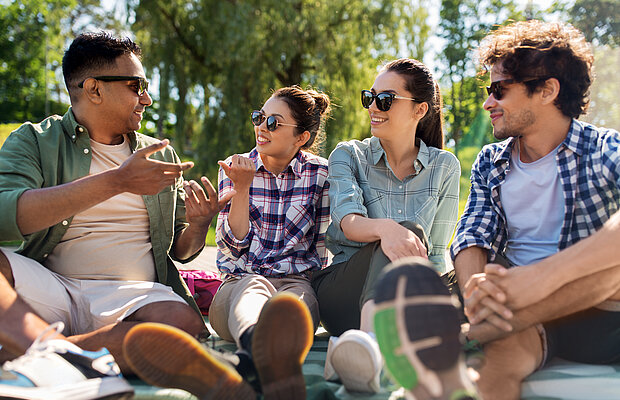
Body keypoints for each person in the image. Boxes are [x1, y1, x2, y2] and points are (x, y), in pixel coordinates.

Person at [373, 20, 620, 400]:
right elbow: (473, 233)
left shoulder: (603, 149)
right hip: (516, 316)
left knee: (613, 270)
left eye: (499, 90)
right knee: (505, 359)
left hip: (605, 312)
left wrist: (541, 278)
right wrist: (474, 293)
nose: (488, 102)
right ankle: (452, 385)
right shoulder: (493, 160)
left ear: (547, 90)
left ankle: (464, 338)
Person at [0, 32, 233, 379]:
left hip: (131, 296)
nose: (147, 99)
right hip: (51, 286)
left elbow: (183, 251)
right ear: (94, 89)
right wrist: (116, 181)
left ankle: (44, 352)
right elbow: (5, 215)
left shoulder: (161, 154)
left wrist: (199, 226)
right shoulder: (34, 140)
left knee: (182, 324)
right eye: (136, 86)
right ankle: (75, 353)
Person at [124, 86, 332, 400]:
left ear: (301, 137)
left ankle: (251, 369)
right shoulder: (234, 169)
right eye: (259, 118)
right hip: (236, 287)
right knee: (253, 287)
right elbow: (233, 246)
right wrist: (243, 187)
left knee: (297, 302)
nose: (261, 128)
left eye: (273, 123)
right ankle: (253, 347)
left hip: (294, 282)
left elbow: (320, 250)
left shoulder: (321, 175)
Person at [311, 58, 461, 393]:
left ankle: (369, 349)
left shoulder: (444, 166)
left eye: (386, 100)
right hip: (343, 295)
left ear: (419, 110)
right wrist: (388, 230)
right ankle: (370, 344)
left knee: (473, 277)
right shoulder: (348, 155)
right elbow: (349, 223)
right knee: (405, 229)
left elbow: (435, 256)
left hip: (406, 296)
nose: (373, 108)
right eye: (370, 97)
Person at [0, 266, 134, 399]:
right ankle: (72, 359)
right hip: (51, 279)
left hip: (136, 291)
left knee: (150, 329)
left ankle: (64, 356)